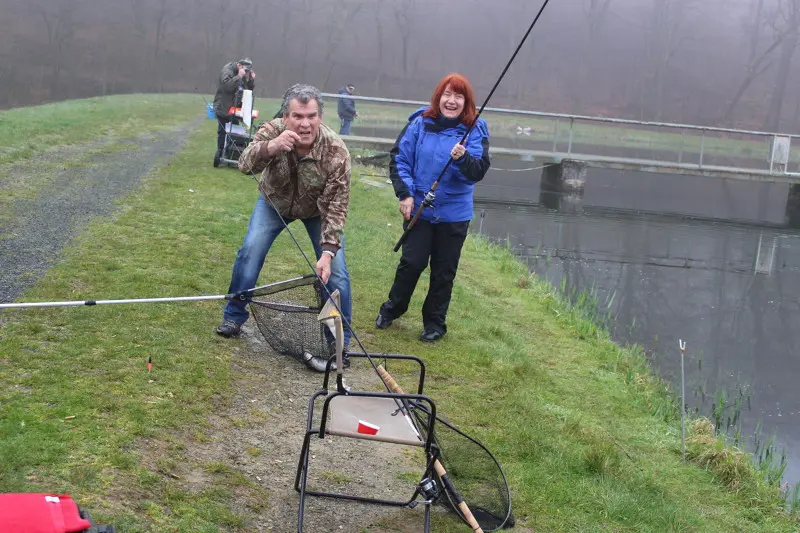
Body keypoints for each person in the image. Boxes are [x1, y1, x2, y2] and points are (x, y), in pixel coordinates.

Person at [216, 84, 354, 363]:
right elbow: (244, 165)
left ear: (321, 116)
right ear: (286, 116)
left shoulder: (337, 152)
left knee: (336, 273)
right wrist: (270, 148)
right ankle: (234, 316)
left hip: (317, 211)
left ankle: (339, 341)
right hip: (273, 203)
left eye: (312, 116)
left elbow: (336, 208)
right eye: (298, 116)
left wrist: (327, 253)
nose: (305, 124)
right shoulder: (271, 130)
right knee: (250, 251)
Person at [376, 73, 490, 342]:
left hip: (454, 215)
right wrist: (404, 195)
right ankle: (393, 308)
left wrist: (463, 159)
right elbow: (400, 159)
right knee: (411, 263)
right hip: (420, 209)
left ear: (466, 101)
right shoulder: (419, 123)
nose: (451, 101)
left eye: (458, 96)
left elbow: (477, 172)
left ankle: (434, 324)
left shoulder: (476, 128)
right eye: (447, 95)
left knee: (444, 271)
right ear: (438, 97)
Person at [213, 58, 256, 166]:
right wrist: (239, 76)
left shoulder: (242, 74)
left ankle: (231, 153)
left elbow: (247, 92)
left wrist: (251, 80)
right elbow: (227, 87)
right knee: (223, 132)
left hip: (235, 109)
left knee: (234, 132)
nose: (245, 73)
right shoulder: (227, 71)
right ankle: (220, 152)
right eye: (245, 70)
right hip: (223, 106)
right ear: (239, 66)